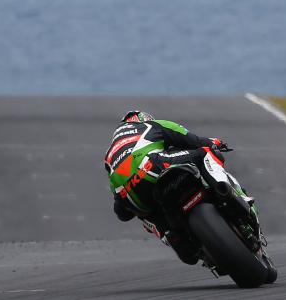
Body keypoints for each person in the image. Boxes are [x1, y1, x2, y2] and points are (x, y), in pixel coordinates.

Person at [103, 109, 247, 264]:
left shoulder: (110, 154)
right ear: (144, 119)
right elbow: (193, 140)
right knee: (205, 152)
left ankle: (173, 237)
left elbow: (122, 214)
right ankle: (225, 191)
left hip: (128, 194)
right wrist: (215, 143)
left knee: (144, 214)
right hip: (152, 166)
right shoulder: (152, 125)